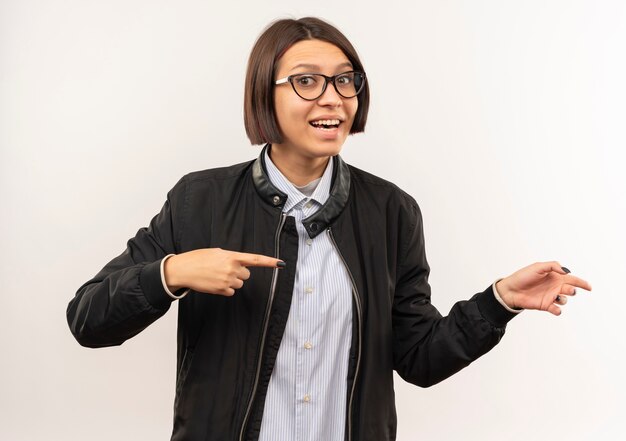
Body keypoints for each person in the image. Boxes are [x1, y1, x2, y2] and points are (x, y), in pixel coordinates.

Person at [66, 17, 592, 441]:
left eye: (345, 80)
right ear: (264, 93)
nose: (333, 98)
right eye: (306, 81)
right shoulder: (199, 199)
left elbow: (418, 359)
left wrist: (497, 302)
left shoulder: (391, 210)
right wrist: (172, 272)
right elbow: (89, 320)